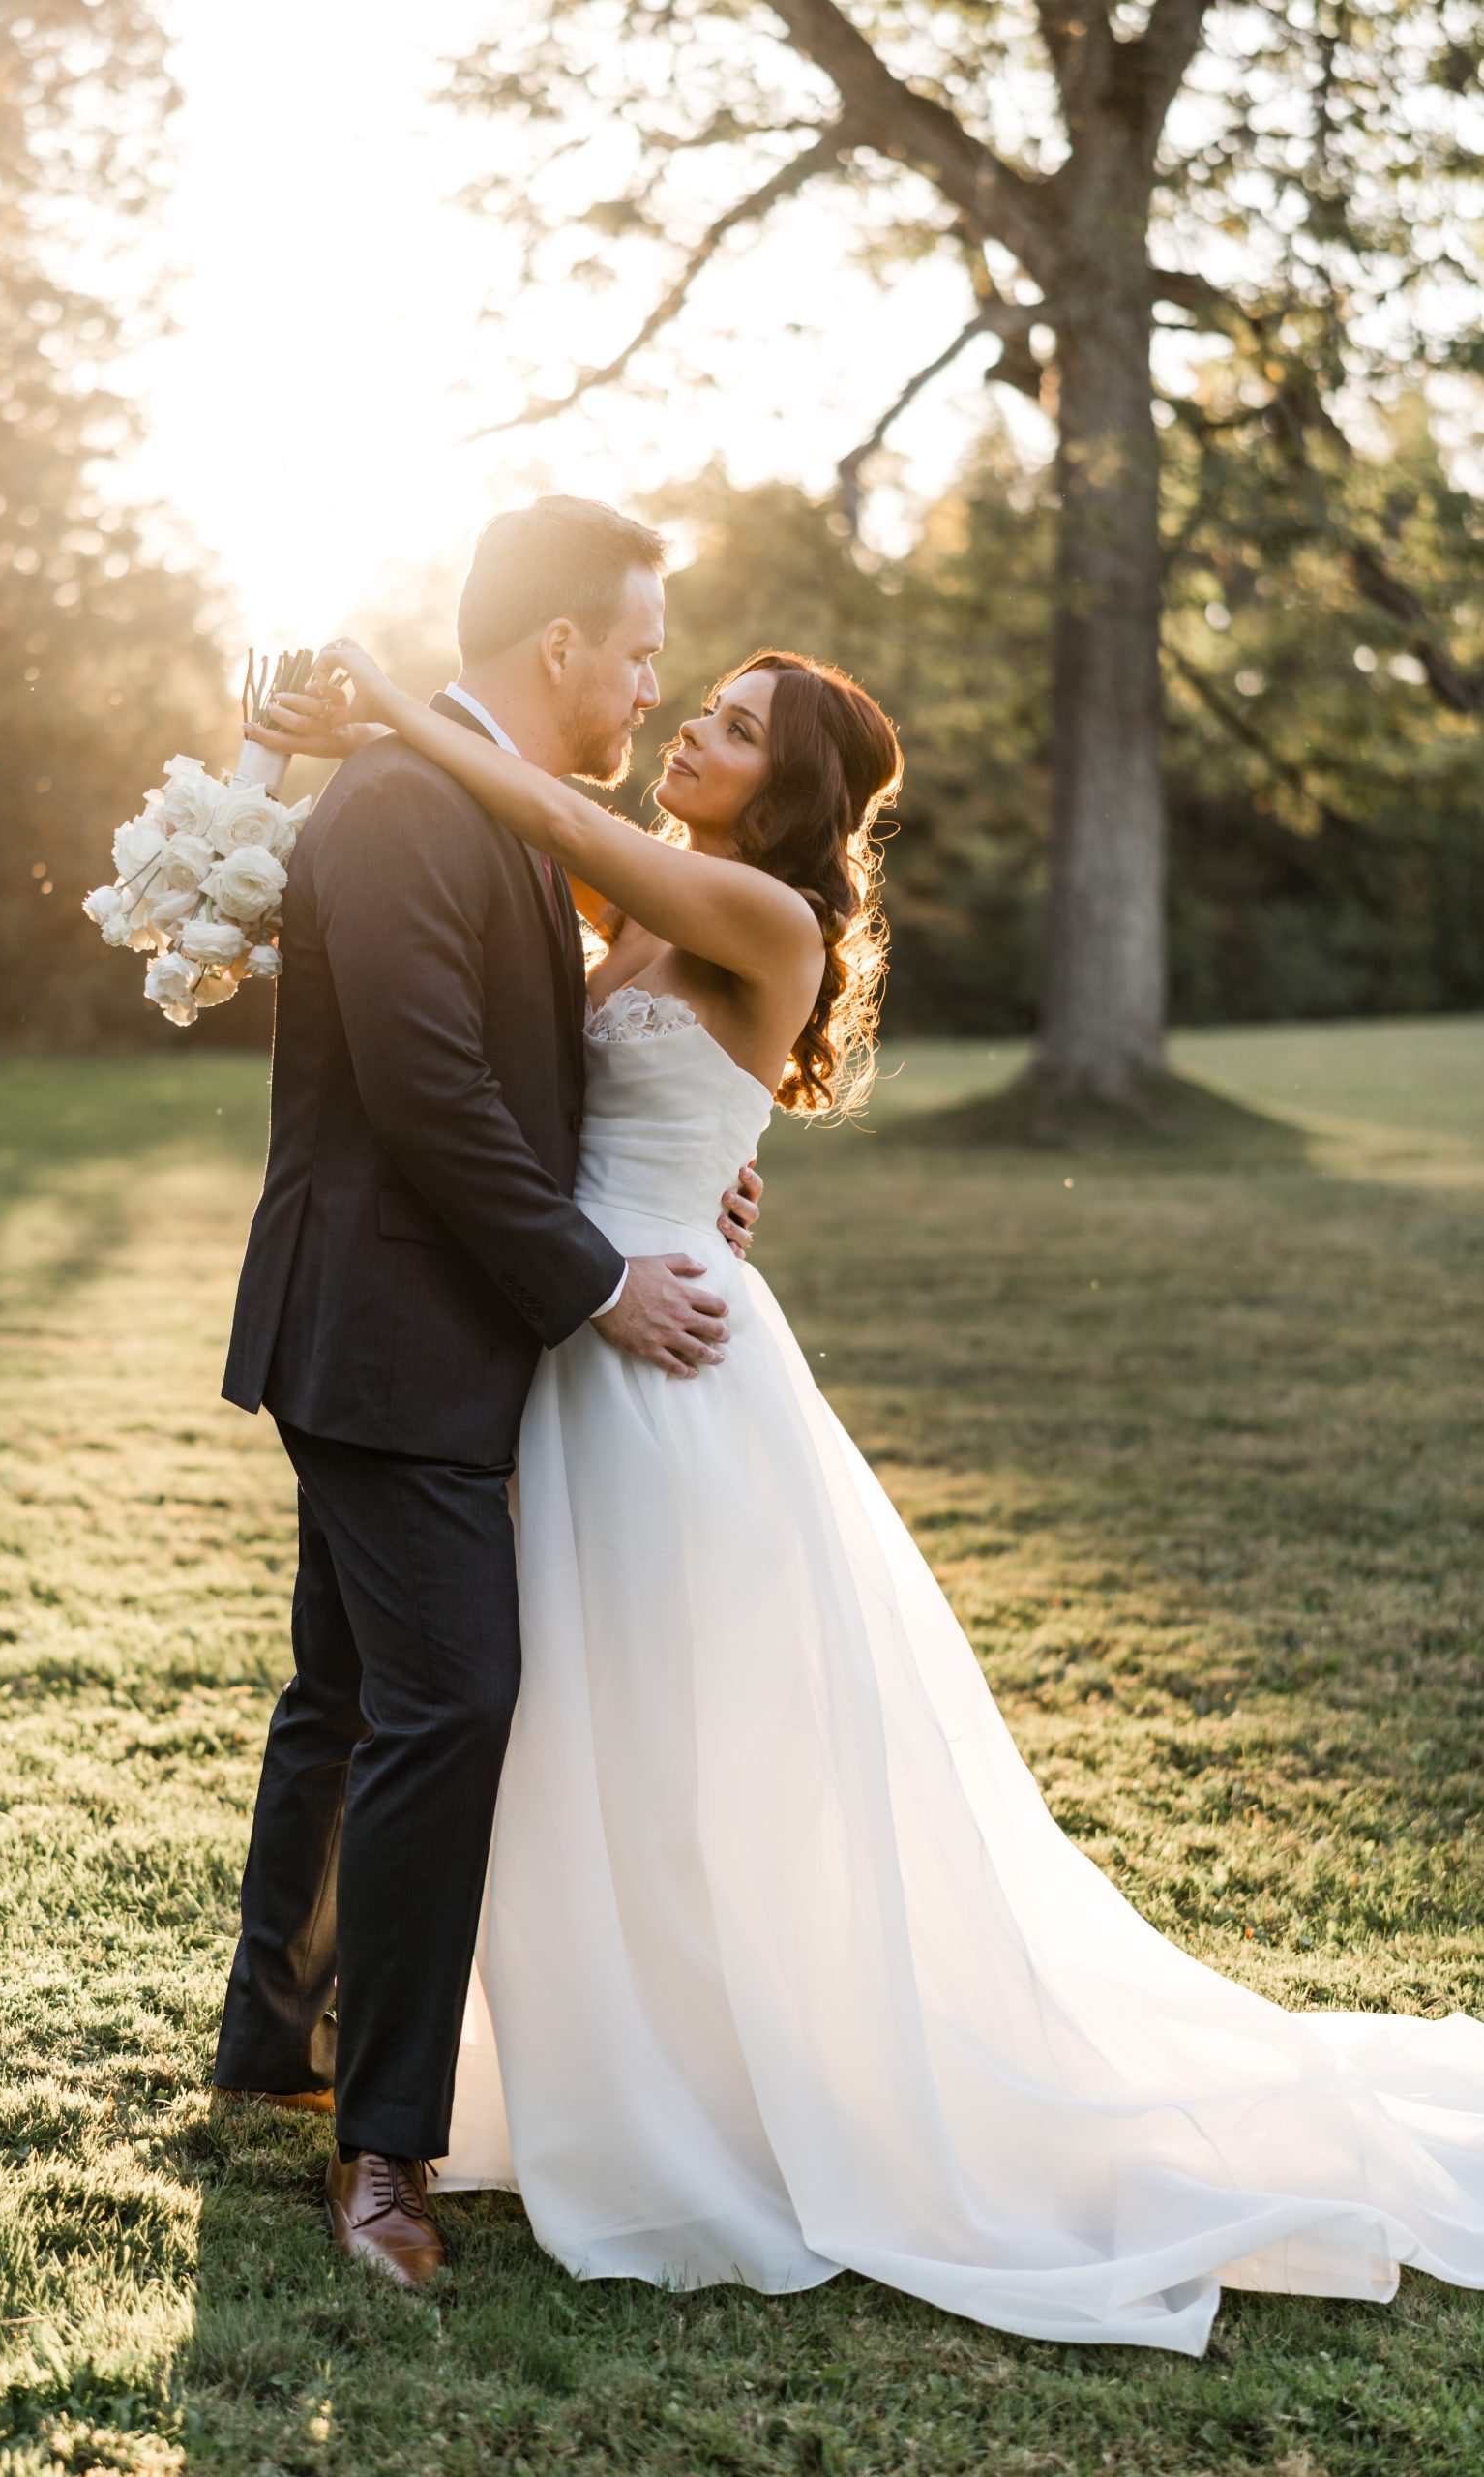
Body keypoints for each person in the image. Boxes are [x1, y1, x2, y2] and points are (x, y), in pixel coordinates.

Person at [246, 623, 1484, 2355]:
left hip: (665, 1369)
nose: (690, 728)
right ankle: (521, 2056)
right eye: (696, 701)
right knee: (557, 1730)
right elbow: (516, 969)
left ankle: (718, 2086)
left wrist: (396, 710)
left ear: (795, 790)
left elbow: (553, 828)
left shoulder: (764, 915)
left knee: (687, 1738)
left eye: (736, 729)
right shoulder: (659, 907)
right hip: (570, 1342)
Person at [211, 497, 763, 2283]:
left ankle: (273, 2049)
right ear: (560, 653)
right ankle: (381, 2154)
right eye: (640, 650)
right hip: (385, 1334)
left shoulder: (492, 804)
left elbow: (546, 1073)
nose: (648, 681)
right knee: (451, 1703)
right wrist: (601, 1281)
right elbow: (435, 1099)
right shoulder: (396, 806)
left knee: (351, 1687)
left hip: (411, 1327)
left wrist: (685, 1187)